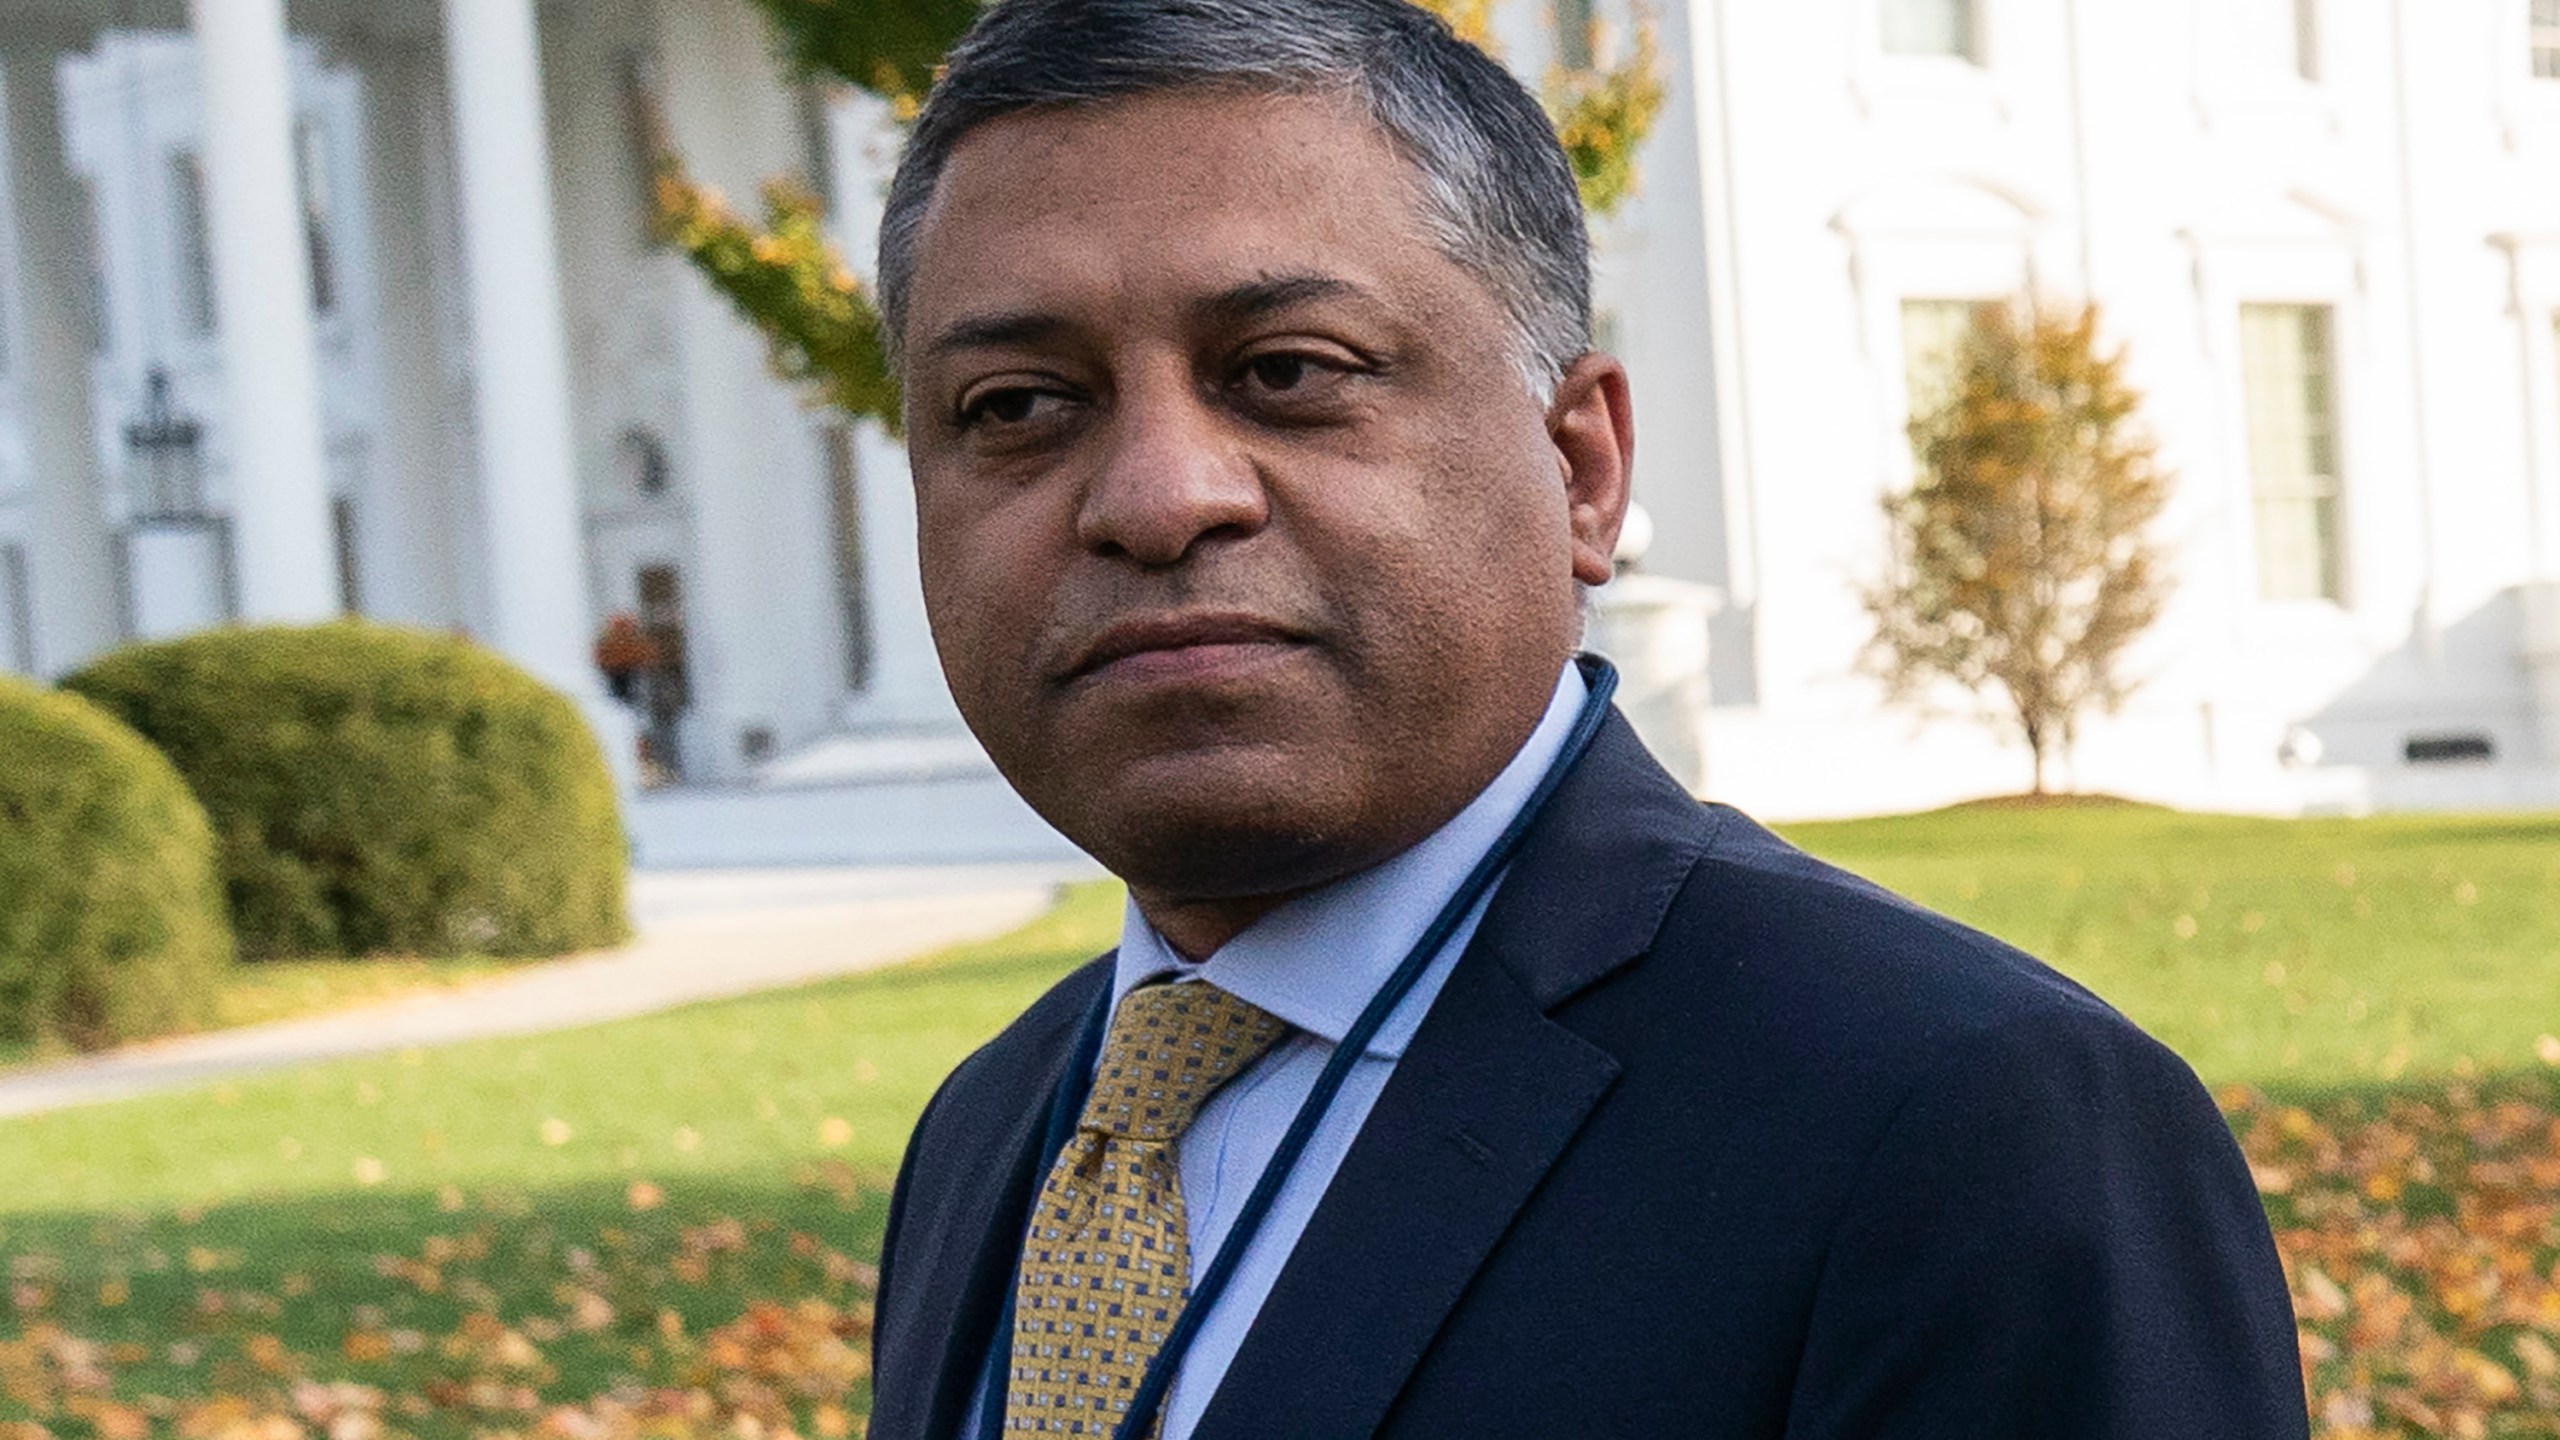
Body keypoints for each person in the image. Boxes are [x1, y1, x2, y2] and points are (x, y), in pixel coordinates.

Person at [865, 0, 2309, 1435]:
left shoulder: (1965, 1126)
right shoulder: (994, 1134)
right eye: (1016, 406)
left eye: (1288, 372)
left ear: (1583, 468)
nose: (1160, 497)